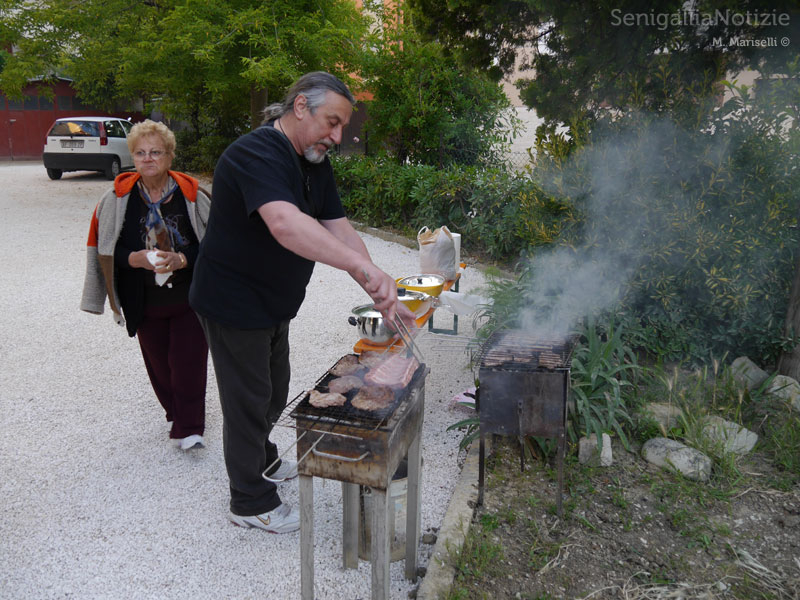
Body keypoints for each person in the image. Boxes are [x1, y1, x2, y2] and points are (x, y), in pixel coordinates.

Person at [189, 71, 415, 534]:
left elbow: (338, 226)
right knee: (248, 400)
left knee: (274, 390)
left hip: (273, 303)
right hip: (233, 303)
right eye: (331, 122)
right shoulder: (256, 153)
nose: (337, 136)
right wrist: (360, 268)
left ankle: (264, 456)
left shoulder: (314, 161)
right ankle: (249, 501)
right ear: (299, 107)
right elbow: (286, 225)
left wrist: (379, 285)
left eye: (341, 128)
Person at [81, 119, 211, 451]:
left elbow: (215, 244)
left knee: (188, 363)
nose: (147, 159)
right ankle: (176, 412)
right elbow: (108, 247)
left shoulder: (192, 194)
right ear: (132, 157)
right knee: (159, 365)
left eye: (155, 152)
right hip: (143, 298)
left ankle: (191, 427)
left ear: (169, 156)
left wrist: (182, 259)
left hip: (190, 295)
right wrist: (133, 260)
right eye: (140, 153)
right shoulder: (116, 198)